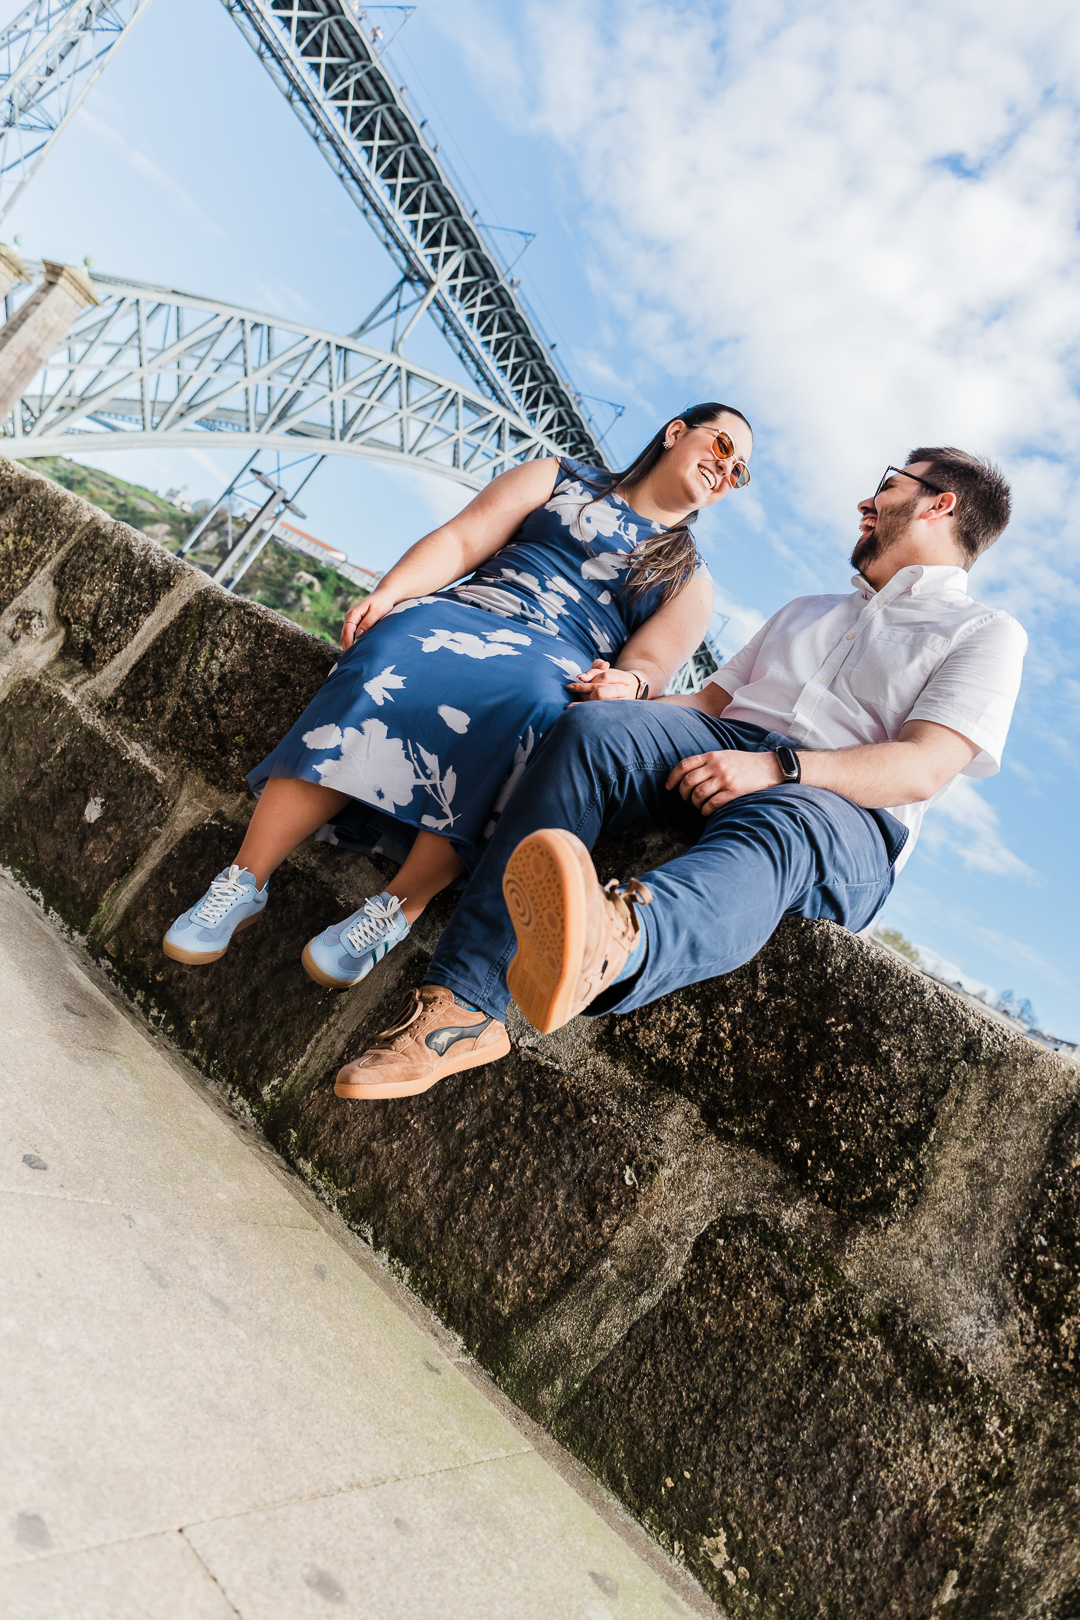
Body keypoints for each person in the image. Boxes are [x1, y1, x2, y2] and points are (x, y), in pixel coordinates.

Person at [334, 446, 1027, 1099]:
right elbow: (705, 704)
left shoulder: (984, 633)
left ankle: (611, 942)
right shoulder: (807, 611)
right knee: (593, 732)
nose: (865, 502)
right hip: (728, 742)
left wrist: (779, 767)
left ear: (940, 506)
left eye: (889, 484)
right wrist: (625, 695)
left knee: (786, 827)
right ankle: (461, 1010)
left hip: (841, 809)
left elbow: (923, 766)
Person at [162, 403, 754, 986]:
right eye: (724, 448)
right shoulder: (558, 477)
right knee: (392, 646)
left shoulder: (689, 577)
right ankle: (242, 880)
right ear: (677, 431)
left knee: (541, 717)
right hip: (471, 608)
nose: (726, 471)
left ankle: (396, 909)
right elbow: (464, 539)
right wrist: (391, 592)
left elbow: (650, 662)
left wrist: (629, 682)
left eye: (739, 473)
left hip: (559, 656)